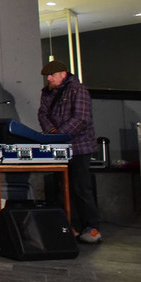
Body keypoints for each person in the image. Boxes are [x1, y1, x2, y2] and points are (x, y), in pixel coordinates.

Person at [37, 59, 102, 244]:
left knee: (81, 186)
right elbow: (42, 114)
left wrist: (61, 134)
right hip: (59, 147)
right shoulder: (47, 93)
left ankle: (91, 227)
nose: (49, 79)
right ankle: (68, 225)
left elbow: (81, 118)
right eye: (48, 76)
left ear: (63, 74)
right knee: (62, 187)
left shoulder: (78, 90)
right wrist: (52, 133)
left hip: (79, 146)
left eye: (52, 75)